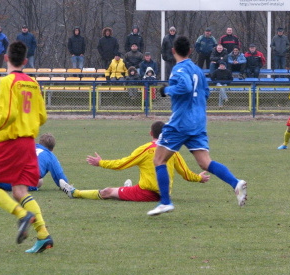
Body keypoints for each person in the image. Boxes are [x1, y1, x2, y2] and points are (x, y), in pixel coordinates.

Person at [0, 41, 52, 254]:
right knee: (19, 190)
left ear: (6, 58)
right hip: (29, 143)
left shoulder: (7, 81)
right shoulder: (34, 83)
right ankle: (43, 235)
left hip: (11, 143)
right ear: (25, 61)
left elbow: (7, 116)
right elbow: (42, 117)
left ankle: (23, 215)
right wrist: (28, 123)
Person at [148, 36, 247, 216]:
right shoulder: (198, 70)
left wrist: (166, 90)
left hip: (180, 122)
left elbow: (185, 87)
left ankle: (165, 202)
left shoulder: (178, 68)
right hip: (198, 122)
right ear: (190, 51)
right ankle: (235, 183)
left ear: (173, 51)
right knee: (205, 163)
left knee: (159, 160)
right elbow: (206, 92)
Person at [59, 121, 210, 201]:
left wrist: (101, 162)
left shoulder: (145, 149)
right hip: (163, 194)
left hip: (147, 193)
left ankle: (75, 193)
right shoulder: (173, 150)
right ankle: (127, 189)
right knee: (118, 191)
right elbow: (185, 173)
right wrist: (200, 178)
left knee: (107, 192)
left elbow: (122, 164)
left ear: (151, 133)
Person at [0, 133, 70, 192]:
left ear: (39, 143)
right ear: (52, 149)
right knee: (37, 182)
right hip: (20, 182)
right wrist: (66, 186)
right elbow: (60, 178)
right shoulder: (51, 156)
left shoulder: (29, 146)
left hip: (11, 172)